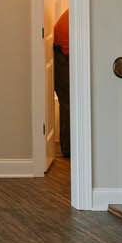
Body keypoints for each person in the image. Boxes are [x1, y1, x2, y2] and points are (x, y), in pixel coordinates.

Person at [52, 8, 70, 158]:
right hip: (62, 56)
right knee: (68, 104)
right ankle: (69, 149)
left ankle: (69, 148)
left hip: (62, 54)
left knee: (68, 104)